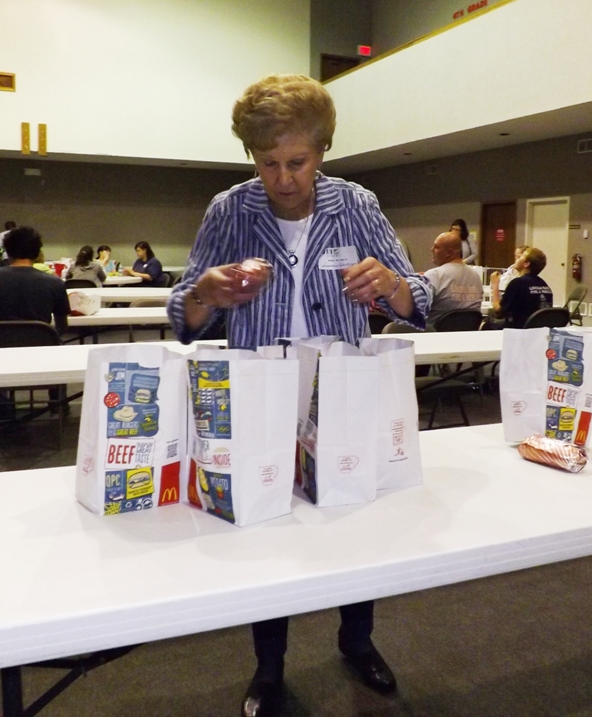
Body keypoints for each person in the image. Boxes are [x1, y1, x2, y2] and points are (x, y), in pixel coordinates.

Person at [167, 73, 430, 717]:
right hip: (259, 390)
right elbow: (182, 314)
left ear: (322, 151)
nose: (283, 179)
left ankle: (357, 640)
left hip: (340, 388)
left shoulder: (356, 205)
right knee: (263, 522)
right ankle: (269, 667)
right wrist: (206, 291)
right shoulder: (230, 210)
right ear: (250, 155)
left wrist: (389, 284)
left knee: (352, 514)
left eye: (298, 162)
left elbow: (418, 300)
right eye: (268, 163)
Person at [0, 226, 70, 334]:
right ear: (37, 253)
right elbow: (62, 328)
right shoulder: (56, 283)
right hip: (40, 344)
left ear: (7, 251)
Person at [424, 231, 483, 327]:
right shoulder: (475, 276)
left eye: (436, 247)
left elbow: (415, 309)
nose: (432, 249)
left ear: (449, 253)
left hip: (435, 334)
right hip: (468, 334)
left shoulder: (434, 275)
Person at [490, 247, 553, 327]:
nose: (516, 259)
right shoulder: (545, 285)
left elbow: (498, 312)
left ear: (526, 263)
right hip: (539, 331)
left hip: (520, 330)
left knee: (487, 324)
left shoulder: (517, 283)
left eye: (520, 257)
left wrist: (495, 285)